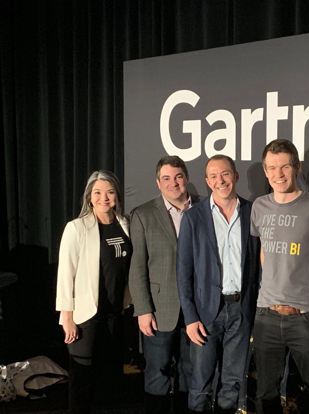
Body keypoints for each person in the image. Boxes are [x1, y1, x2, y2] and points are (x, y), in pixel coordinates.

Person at [177, 155, 260, 414]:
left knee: (233, 382)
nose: (219, 180)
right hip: (205, 313)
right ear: (206, 181)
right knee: (201, 382)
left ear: (235, 176)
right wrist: (190, 318)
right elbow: (183, 272)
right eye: (213, 176)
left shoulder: (252, 212)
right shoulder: (193, 217)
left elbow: (257, 264)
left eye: (224, 174)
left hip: (241, 309)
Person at [250, 139, 309, 414]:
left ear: (297, 168)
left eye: (284, 167)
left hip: (307, 314)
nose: (278, 174)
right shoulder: (259, 207)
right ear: (265, 170)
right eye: (271, 168)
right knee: (265, 392)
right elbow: (263, 253)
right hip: (266, 315)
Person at [56, 170, 132, 414]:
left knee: (106, 380)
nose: (104, 198)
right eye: (98, 193)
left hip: (115, 313)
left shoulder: (125, 224)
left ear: (117, 196)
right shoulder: (76, 228)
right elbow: (65, 275)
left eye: (110, 192)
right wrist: (67, 317)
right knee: (81, 380)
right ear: (90, 197)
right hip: (86, 316)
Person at [128, 155, 199, 413]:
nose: (173, 183)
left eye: (178, 176)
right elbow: (137, 268)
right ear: (158, 183)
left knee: (190, 374)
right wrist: (143, 310)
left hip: (197, 310)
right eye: (166, 178)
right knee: (157, 375)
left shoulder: (204, 209)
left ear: (187, 178)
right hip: (159, 310)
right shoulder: (143, 215)